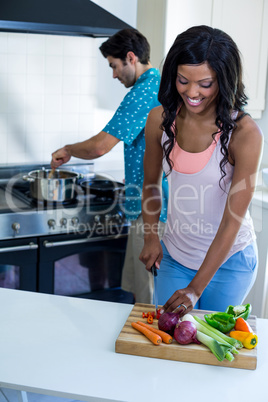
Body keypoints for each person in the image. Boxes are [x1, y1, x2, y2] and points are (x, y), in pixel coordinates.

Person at [139, 25, 263, 315]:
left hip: (229, 261)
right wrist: (150, 235)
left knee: (213, 350)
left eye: (205, 84)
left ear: (224, 79)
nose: (192, 92)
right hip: (176, 255)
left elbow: (232, 221)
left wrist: (195, 289)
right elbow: (150, 184)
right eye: (183, 80)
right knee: (170, 342)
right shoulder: (159, 119)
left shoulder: (245, 134)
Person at [50, 28, 168, 304]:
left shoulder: (143, 92)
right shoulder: (157, 85)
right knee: (142, 290)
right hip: (149, 204)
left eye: (114, 66)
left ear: (131, 57)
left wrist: (68, 150)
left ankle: (144, 346)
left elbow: (100, 146)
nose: (114, 74)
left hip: (152, 208)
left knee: (147, 298)